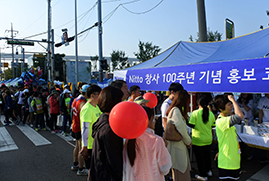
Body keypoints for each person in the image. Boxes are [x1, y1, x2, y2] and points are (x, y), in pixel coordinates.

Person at [123, 106, 172, 181]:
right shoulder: (156, 140)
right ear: (147, 121)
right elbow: (165, 168)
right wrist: (164, 147)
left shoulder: (128, 140)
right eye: (153, 119)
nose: (154, 122)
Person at [89, 86, 123, 181]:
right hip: (107, 176)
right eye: (120, 100)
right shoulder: (109, 128)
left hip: (98, 172)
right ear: (114, 102)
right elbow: (114, 159)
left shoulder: (102, 119)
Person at [213, 94, 244, 180]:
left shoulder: (226, 119)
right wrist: (234, 101)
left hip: (233, 161)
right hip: (227, 162)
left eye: (231, 104)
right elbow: (240, 116)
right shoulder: (222, 121)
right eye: (229, 104)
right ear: (221, 108)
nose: (231, 106)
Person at [165, 89, 192, 181]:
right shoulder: (176, 111)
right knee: (181, 172)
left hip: (176, 145)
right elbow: (182, 130)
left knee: (178, 172)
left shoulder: (174, 110)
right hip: (178, 145)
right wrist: (188, 141)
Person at [188, 95, 216, 180]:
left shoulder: (195, 113)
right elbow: (213, 126)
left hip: (198, 139)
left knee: (200, 159)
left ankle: (203, 175)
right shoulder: (211, 114)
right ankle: (209, 171)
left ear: (198, 103)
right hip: (208, 139)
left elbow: (191, 125)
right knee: (207, 156)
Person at [79, 85, 102, 176]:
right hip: (90, 146)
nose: (100, 96)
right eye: (99, 94)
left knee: (97, 170)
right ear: (92, 96)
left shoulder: (96, 107)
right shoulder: (87, 109)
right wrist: (84, 146)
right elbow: (85, 128)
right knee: (92, 171)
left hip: (96, 143)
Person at [70, 84, 89, 174]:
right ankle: (81, 169)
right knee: (82, 148)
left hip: (75, 125)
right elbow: (83, 116)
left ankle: (75, 164)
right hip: (80, 126)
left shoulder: (75, 99)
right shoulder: (82, 102)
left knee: (77, 146)